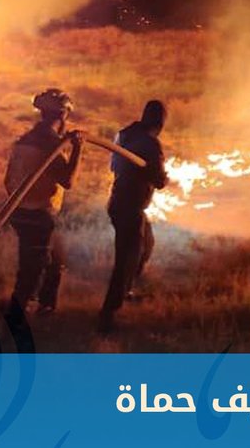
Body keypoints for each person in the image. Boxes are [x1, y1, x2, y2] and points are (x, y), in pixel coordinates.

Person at [3, 88, 83, 321]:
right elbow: (68, 181)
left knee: (54, 260)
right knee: (33, 268)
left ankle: (46, 309)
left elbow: (8, 179)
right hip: (38, 214)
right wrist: (78, 148)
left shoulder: (25, 140)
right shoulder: (49, 144)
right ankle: (16, 318)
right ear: (63, 114)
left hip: (21, 210)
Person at [98, 100, 169, 333]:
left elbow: (114, 167)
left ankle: (125, 290)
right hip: (129, 208)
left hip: (119, 203)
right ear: (160, 122)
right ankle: (109, 314)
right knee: (127, 258)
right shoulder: (150, 143)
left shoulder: (124, 135)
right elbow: (158, 180)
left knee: (146, 244)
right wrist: (163, 178)